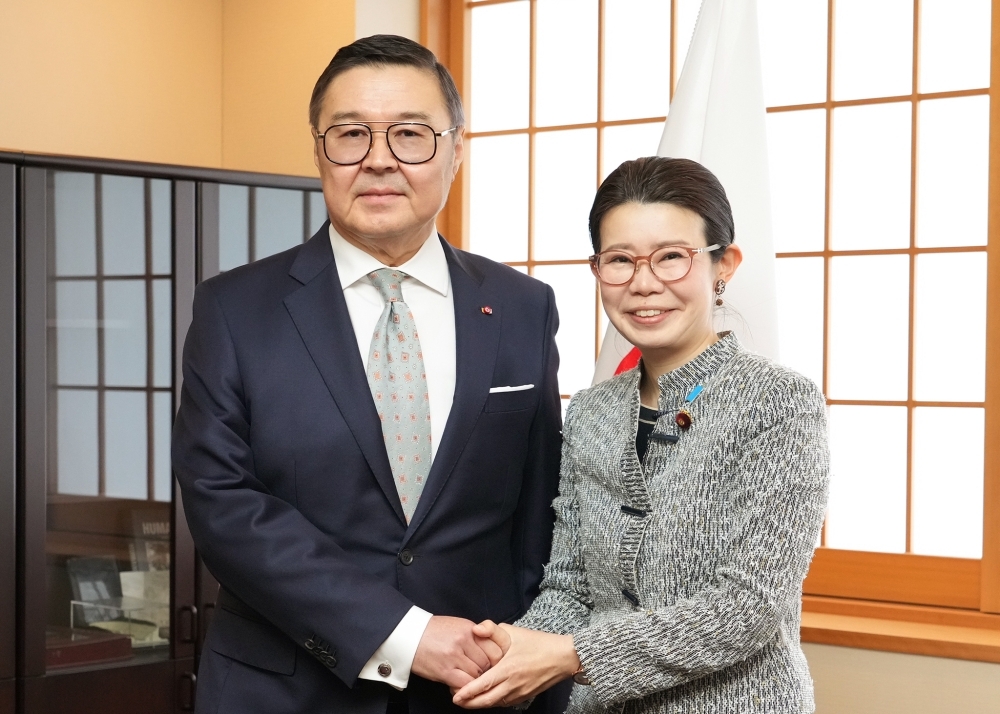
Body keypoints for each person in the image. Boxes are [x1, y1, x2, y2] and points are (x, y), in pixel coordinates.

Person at [172, 35, 565, 714]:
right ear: (318, 149)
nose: (379, 159)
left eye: (410, 134)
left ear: (456, 150)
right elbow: (224, 504)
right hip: (285, 692)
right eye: (351, 134)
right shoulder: (233, 309)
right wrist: (405, 635)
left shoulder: (523, 307)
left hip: (477, 689)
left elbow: (540, 513)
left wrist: (531, 668)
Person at [453, 156, 830, 713]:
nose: (644, 284)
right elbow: (571, 586)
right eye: (620, 261)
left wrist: (571, 655)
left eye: (672, 257)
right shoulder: (591, 411)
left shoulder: (778, 402)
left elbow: (750, 605)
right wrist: (511, 651)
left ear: (723, 264)